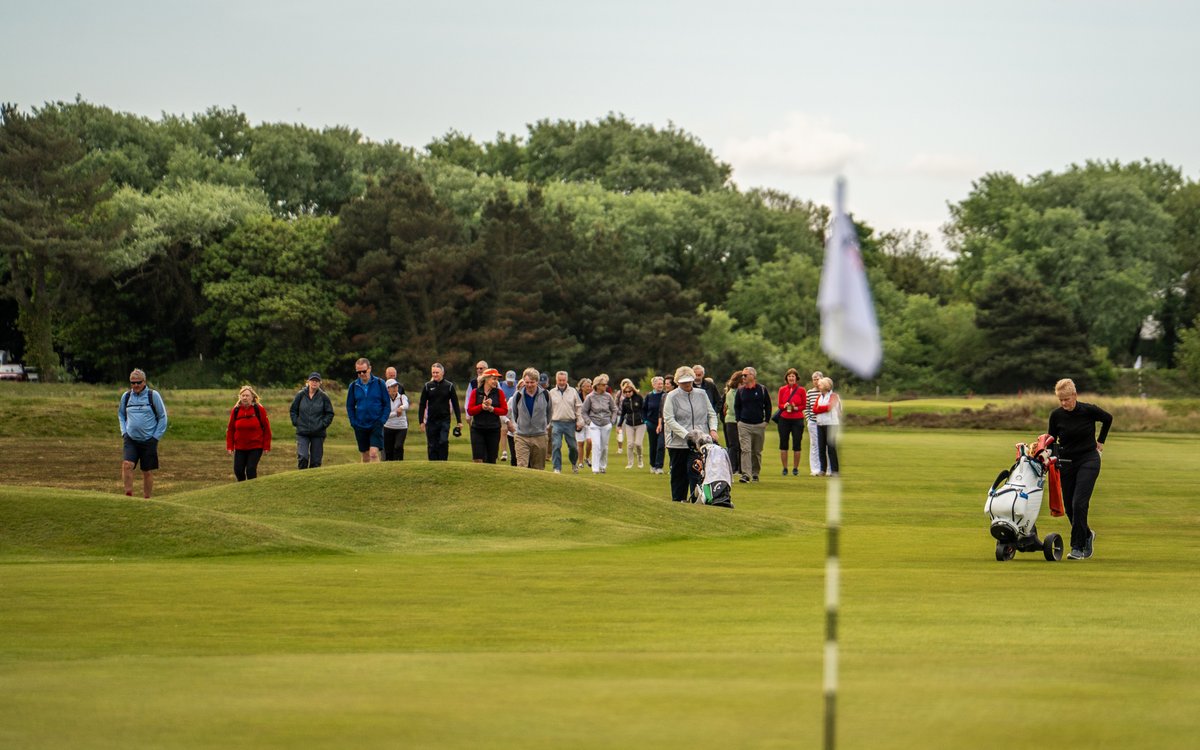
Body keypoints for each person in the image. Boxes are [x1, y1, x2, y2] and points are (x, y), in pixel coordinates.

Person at [1048, 378, 1112, 560]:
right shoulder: (1056, 415)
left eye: (1066, 399)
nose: (1063, 403)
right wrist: (1050, 459)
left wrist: (1101, 441)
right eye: (1060, 399)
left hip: (1088, 460)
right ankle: (1086, 535)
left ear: (1075, 395)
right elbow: (1051, 441)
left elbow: (1108, 418)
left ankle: (1077, 547)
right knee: (1069, 507)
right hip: (1066, 463)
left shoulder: (1088, 410)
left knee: (1079, 503)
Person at [662, 366, 719, 502]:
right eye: (683, 382)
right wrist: (687, 435)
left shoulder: (702, 394)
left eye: (689, 381)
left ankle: (697, 501)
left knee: (696, 472)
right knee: (679, 474)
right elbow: (669, 419)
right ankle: (678, 501)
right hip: (678, 443)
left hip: (699, 443)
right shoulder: (672, 396)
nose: (687, 384)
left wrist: (713, 429)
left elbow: (711, 414)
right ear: (678, 382)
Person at [118, 368, 168, 498]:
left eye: (138, 382)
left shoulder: (153, 395)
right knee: (127, 465)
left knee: (147, 471)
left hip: (149, 440)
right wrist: (124, 432)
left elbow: (163, 417)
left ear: (144, 382)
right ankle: (128, 495)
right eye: (132, 383)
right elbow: (121, 415)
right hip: (131, 439)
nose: (135, 385)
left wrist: (156, 437)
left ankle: (147, 499)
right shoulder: (126, 396)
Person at [346, 357, 391, 463]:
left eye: (364, 371)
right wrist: (353, 422)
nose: (361, 374)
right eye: (358, 372)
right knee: (365, 456)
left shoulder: (380, 383)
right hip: (360, 425)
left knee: (374, 453)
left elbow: (387, 405)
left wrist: (381, 421)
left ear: (369, 369)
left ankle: (377, 477)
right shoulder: (353, 386)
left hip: (376, 423)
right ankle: (365, 478)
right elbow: (350, 406)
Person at [507, 367, 552, 469]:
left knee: (538, 468)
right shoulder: (517, 395)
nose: (529, 385)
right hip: (521, 436)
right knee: (522, 467)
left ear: (537, 382)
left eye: (532, 382)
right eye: (527, 382)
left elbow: (549, 413)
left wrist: (542, 426)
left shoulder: (546, 394)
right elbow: (515, 413)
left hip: (540, 436)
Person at [734, 366, 772, 483]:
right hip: (744, 424)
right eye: (742, 375)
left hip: (759, 425)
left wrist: (766, 421)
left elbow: (768, 406)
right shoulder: (740, 391)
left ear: (753, 376)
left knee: (756, 451)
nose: (743, 377)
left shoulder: (762, 389)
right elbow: (737, 407)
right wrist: (739, 420)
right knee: (745, 450)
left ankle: (755, 473)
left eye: (745, 375)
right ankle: (746, 474)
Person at [226, 385, 272, 481]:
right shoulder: (236, 410)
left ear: (252, 397)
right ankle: (242, 488)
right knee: (238, 470)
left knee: (250, 470)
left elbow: (267, 429)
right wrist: (230, 446)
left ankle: (253, 490)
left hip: (255, 446)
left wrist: (266, 446)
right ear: (240, 397)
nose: (245, 398)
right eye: (243, 395)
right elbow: (230, 429)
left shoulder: (259, 409)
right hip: (240, 447)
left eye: (247, 395)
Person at [418, 362, 462, 461]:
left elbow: (455, 404)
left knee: (443, 441)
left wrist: (459, 421)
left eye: (437, 372)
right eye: (433, 373)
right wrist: (421, 421)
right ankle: (433, 466)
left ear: (442, 373)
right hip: (431, 420)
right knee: (432, 444)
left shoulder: (449, 386)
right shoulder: (427, 386)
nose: (435, 375)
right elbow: (422, 404)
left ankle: (443, 463)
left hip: (444, 420)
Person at [290, 372, 334, 469]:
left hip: (318, 433)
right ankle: (302, 478)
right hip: (302, 432)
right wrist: (296, 422)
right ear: (308, 382)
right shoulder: (300, 395)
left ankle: (313, 481)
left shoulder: (324, 396)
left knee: (316, 462)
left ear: (320, 383)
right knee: (303, 457)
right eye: (312, 380)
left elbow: (329, 413)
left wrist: (322, 424)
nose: (314, 382)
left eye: (317, 381)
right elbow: (293, 410)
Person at [466, 368, 508, 464]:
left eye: (497, 379)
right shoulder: (475, 392)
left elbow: (504, 410)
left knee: (491, 459)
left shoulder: (499, 393)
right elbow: (470, 411)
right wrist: (481, 406)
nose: (496, 381)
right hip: (477, 429)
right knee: (477, 458)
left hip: (493, 429)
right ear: (486, 379)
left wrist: (492, 409)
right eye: (494, 379)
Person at [582, 374, 620, 474]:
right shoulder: (590, 397)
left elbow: (614, 409)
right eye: (603, 385)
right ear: (597, 385)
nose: (605, 386)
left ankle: (603, 466)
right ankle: (595, 468)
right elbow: (584, 411)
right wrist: (589, 422)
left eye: (605, 385)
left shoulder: (608, 396)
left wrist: (612, 421)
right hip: (594, 424)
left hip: (606, 424)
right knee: (596, 445)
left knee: (604, 447)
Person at [548, 371, 584, 474]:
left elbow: (578, 407)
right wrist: (548, 423)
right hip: (556, 423)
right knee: (556, 445)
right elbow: (548, 409)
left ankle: (574, 463)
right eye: (560, 380)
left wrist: (579, 421)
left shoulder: (573, 391)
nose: (562, 382)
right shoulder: (551, 392)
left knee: (573, 446)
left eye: (563, 380)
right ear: (556, 380)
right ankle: (557, 468)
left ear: (566, 380)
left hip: (570, 423)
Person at [777, 368, 808, 476]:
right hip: (784, 419)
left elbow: (804, 405)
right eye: (789, 376)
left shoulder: (801, 390)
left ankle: (795, 468)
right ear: (786, 378)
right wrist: (784, 406)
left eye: (793, 376)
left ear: (796, 378)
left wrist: (796, 408)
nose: (791, 378)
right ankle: (785, 468)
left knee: (797, 444)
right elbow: (779, 404)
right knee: (783, 444)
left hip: (797, 419)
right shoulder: (782, 389)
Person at [812, 376, 841, 476]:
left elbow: (829, 407)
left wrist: (820, 408)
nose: (818, 385)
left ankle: (835, 471)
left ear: (826, 386)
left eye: (821, 384)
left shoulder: (834, 396)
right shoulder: (819, 397)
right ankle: (822, 470)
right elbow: (814, 409)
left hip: (831, 424)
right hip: (820, 424)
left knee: (831, 448)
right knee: (821, 448)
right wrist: (821, 408)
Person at [617, 378, 646, 469]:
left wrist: (644, 418)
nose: (627, 393)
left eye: (629, 391)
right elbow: (623, 414)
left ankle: (640, 458)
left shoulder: (639, 398)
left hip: (640, 424)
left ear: (633, 390)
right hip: (629, 424)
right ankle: (630, 463)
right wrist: (619, 424)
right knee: (630, 444)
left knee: (638, 443)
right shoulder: (625, 401)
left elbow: (644, 409)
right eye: (625, 392)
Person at [722, 370, 745, 478]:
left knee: (741, 446)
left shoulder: (741, 392)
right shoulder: (731, 393)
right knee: (733, 445)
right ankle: (732, 468)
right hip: (732, 421)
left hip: (740, 421)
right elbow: (733, 408)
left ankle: (741, 468)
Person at [642, 376, 666, 475]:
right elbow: (644, 409)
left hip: (663, 424)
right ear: (653, 385)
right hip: (651, 423)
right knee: (653, 445)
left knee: (661, 445)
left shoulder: (665, 395)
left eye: (662, 383)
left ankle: (659, 466)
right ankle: (652, 465)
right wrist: (645, 421)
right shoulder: (649, 396)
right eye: (658, 383)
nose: (660, 385)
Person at [383, 378, 410, 461]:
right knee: (388, 450)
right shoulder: (384, 400)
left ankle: (399, 465)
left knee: (398, 446)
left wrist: (400, 408)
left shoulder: (402, 397)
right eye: (392, 386)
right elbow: (385, 415)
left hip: (401, 427)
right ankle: (390, 468)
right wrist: (396, 413)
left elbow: (406, 405)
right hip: (388, 427)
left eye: (396, 386)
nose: (395, 388)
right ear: (387, 389)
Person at [805, 371, 824, 476]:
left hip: (824, 422)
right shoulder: (810, 392)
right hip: (812, 422)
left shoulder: (825, 392)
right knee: (814, 445)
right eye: (814, 379)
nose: (816, 381)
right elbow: (807, 407)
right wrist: (808, 419)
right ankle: (815, 469)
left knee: (824, 445)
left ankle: (824, 468)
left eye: (818, 379)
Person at [500, 370, 519, 464]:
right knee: (504, 431)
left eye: (511, 380)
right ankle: (504, 452)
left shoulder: (517, 385)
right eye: (508, 380)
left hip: (514, 412)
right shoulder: (502, 385)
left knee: (513, 432)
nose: (510, 382)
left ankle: (514, 453)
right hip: (505, 411)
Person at [575, 377, 593, 470]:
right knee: (580, 443)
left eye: (590, 386)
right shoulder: (577, 396)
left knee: (590, 441)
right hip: (579, 423)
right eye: (587, 386)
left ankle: (587, 458)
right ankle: (580, 462)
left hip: (590, 422)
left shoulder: (593, 396)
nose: (589, 388)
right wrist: (576, 422)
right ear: (582, 387)